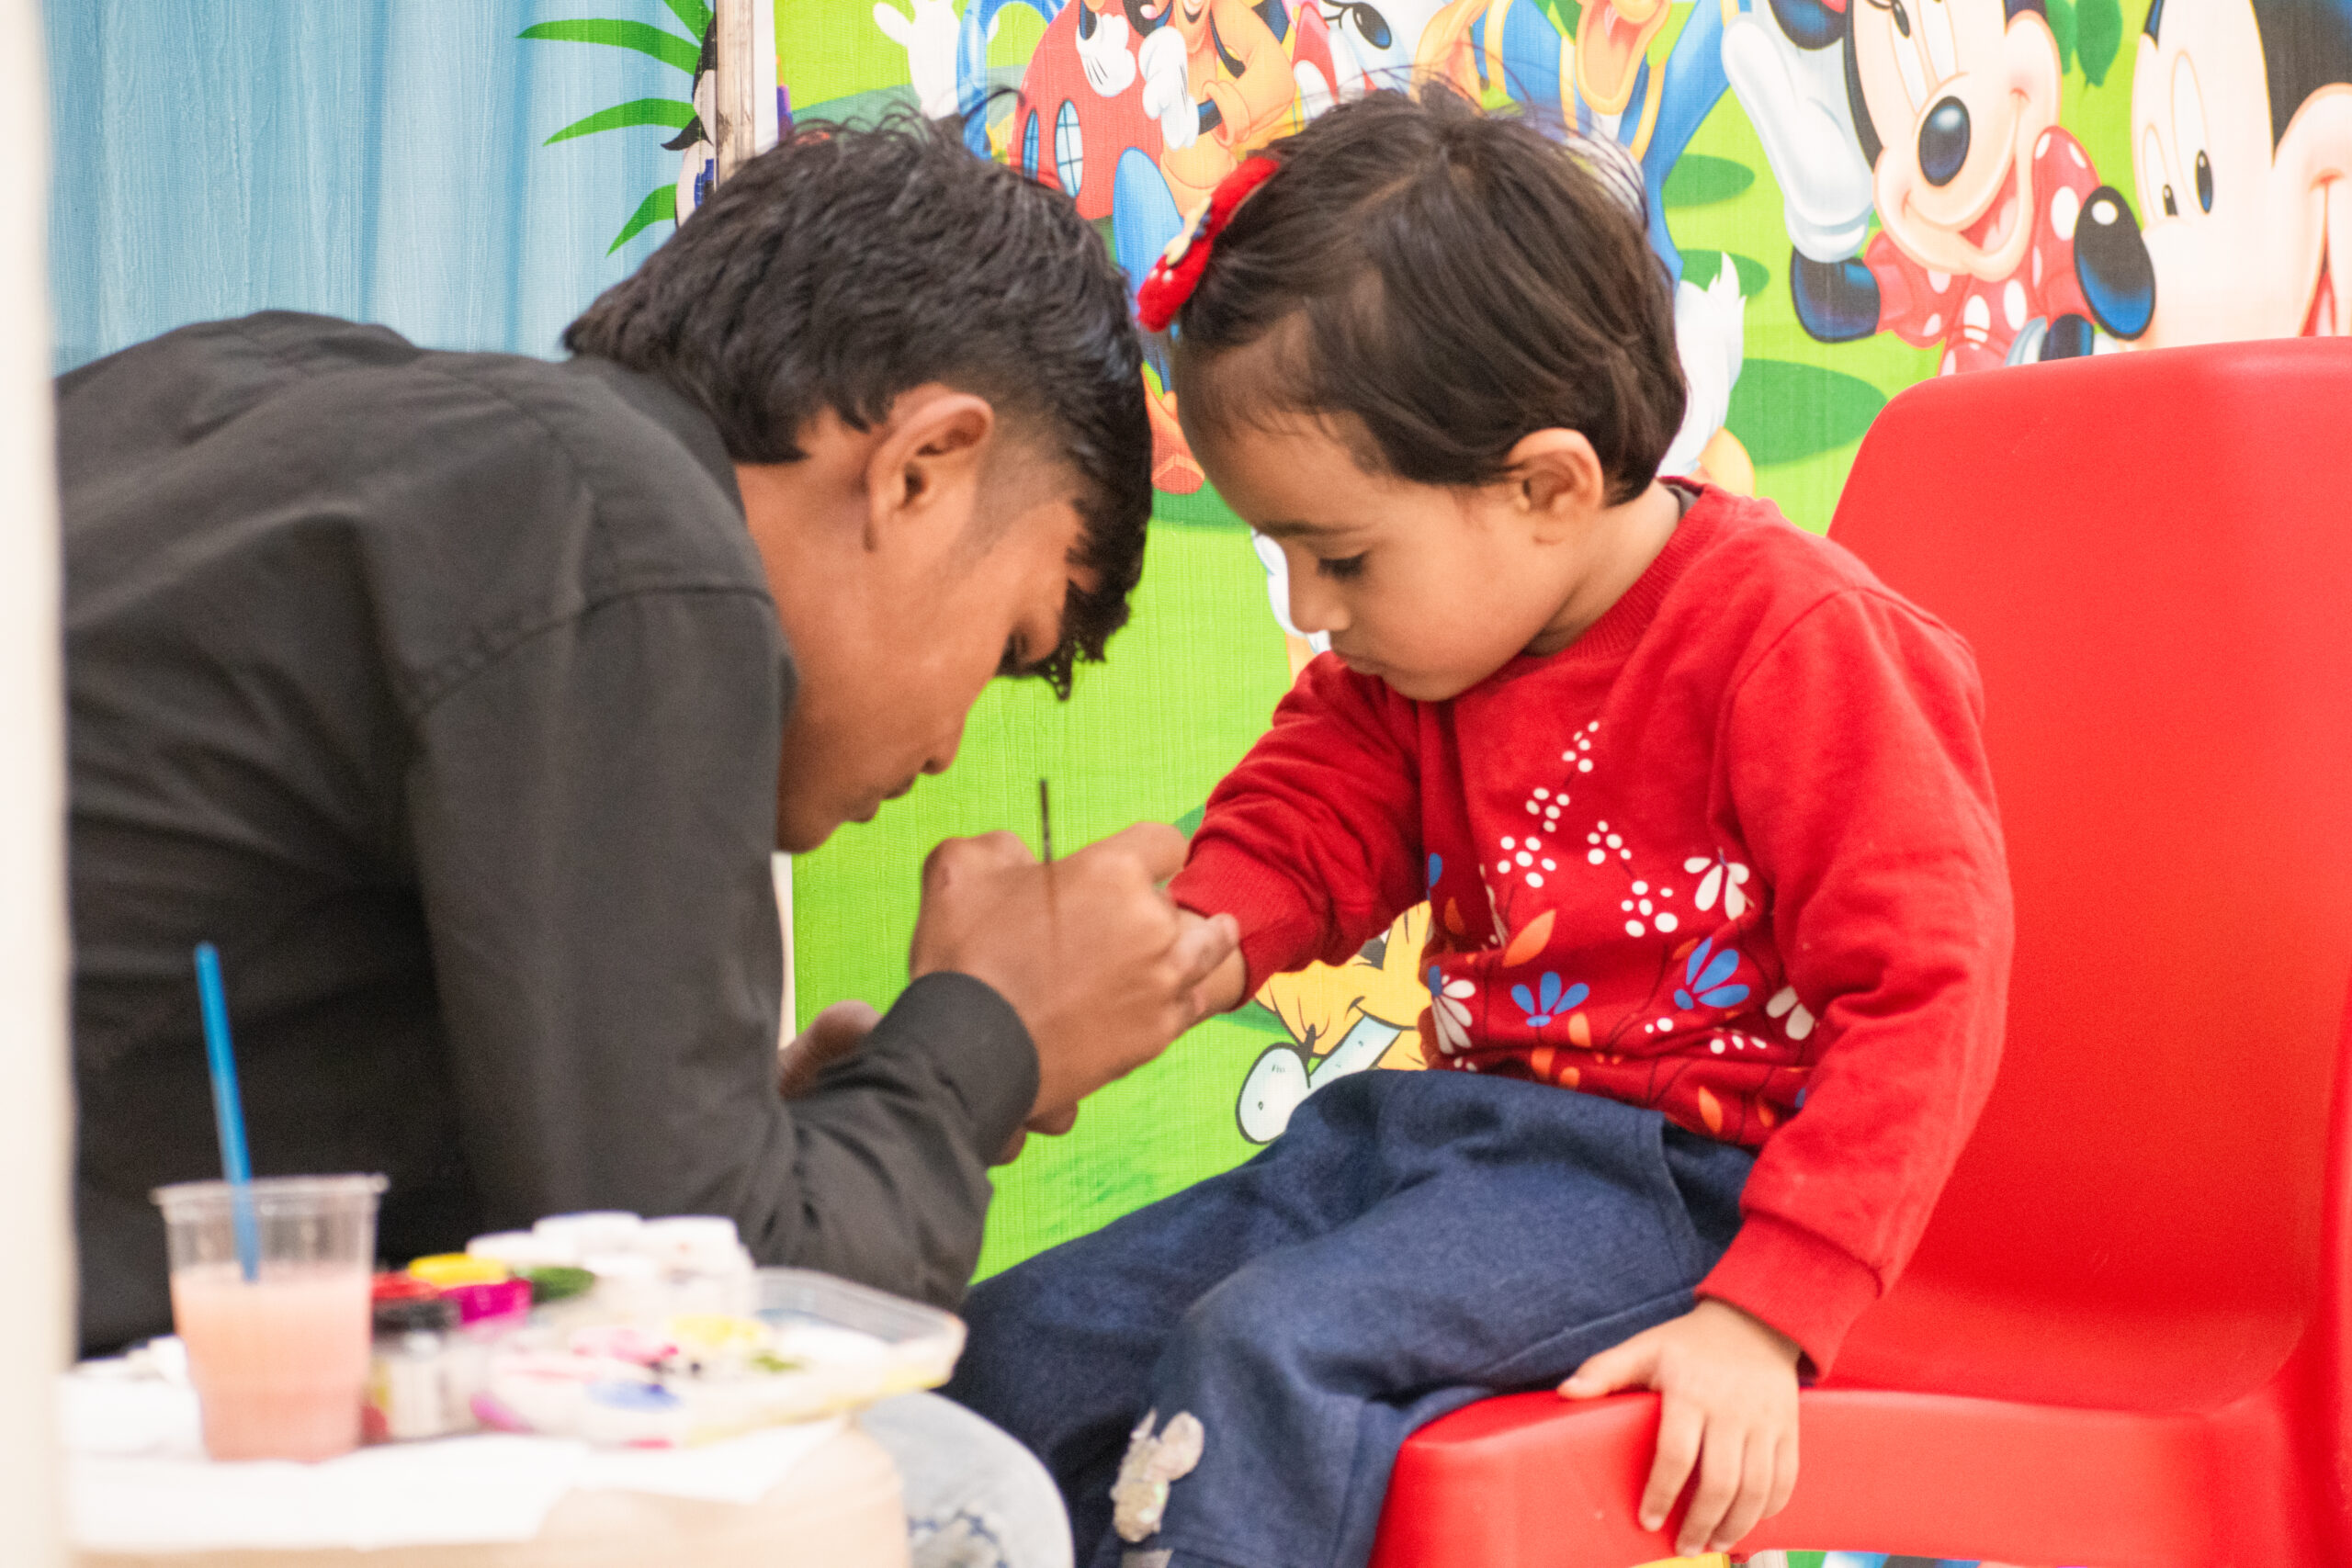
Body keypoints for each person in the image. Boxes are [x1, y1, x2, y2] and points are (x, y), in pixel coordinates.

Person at [63, 119, 1237, 1567]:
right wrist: (988, 1040)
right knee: (952, 1505)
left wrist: (781, 1139)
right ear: (924, 466)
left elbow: (563, 1216)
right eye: (1004, 648)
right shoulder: (635, 550)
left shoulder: (273, 387)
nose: (948, 747)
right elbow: (697, 1343)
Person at [944, 92, 2014, 1567]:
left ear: (1545, 486)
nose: (1311, 608)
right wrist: (1169, 957)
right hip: (1428, 1146)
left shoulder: (1801, 645)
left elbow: (1929, 993)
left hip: (1677, 1189)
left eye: (1341, 556)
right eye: (1284, 554)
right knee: (1019, 1345)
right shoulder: (1423, 662)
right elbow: (1301, 826)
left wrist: (1769, 1311)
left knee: (1267, 1354)